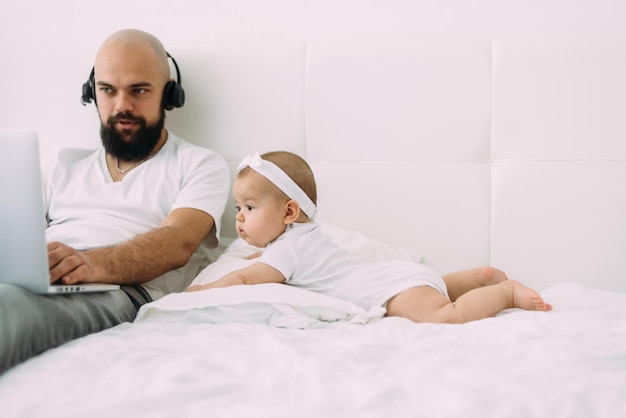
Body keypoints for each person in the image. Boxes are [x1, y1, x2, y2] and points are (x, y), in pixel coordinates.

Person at [0, 29, 230, 374]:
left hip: (120, 291)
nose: (122, 105)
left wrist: (91, 265)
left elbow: (176, 243)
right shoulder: (59, 162)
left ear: (169, 95)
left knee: (7, 308)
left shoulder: (200, 164)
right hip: (38, 280)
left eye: (138, 90)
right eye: (107, 90)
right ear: (92, 93)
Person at [187, 151, 552, 323]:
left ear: (288, 212)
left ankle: (505, 292)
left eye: (249, 208)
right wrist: (256, 255)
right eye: (238, 207)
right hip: (399, 277)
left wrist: (203, 291)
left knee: (444, 316)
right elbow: (263, 263)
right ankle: (478, 277)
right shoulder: (304, 237)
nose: (238, 217)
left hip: (388, 292)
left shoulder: (286, 253)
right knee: (435, 288)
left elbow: (248, 277)